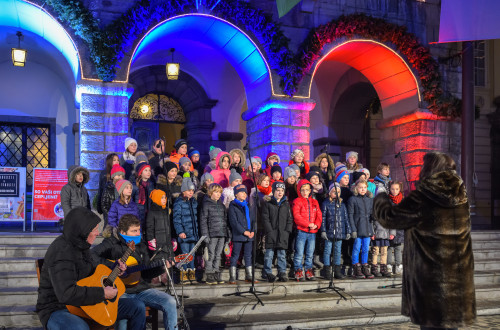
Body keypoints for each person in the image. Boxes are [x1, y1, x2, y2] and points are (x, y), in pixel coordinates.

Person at [373, 152, 476, 330]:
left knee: (432, 325)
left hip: (432, 282)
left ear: (429, 169)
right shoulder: (461, 196)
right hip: (457, 280)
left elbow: (389, 217)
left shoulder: (423, 197)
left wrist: (381, 197)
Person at [36, 207, 145, 330]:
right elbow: (66, 294)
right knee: (79, 327)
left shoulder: (82, 245)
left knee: (137, 307)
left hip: (87, 303)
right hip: (58, 308)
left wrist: (115, 267)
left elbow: (95, 267)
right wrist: (102, 293)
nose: (98, 233)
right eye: (94, 229)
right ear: (82, 231)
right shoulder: (61, 252)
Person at [91, 214, 178, 330]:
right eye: (134, 231)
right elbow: (91, 255)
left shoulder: (141, 245)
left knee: (170, 302)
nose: (138, 234)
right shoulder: (111, 243)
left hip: (141, 289)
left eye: (139, 230)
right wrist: (113, 265)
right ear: (123, 231)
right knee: (124, 320)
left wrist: (162, 268)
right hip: (119, 291)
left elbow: (146, 272)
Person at [261, 181, 293, 282]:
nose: (280, 193)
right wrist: (269, 230)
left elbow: (289, 219)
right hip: (271, 232)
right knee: (269, 254)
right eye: (278, 190)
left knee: (281, 254)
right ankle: (267, 272)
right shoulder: (268, 204)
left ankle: (282, 272)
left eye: (282, 191)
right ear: (274, 191)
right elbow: (265, 218)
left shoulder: (286, 204)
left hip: (282, 233)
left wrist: (287, 231)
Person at [293, 179, 322, 281]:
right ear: (299, 190)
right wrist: (308, 224)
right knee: (299, 252)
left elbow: (319, 215)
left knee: (310, 253)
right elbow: (297, 216)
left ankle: (308, 270)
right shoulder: (297, 201)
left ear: (310, 190)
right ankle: (298, 270)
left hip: (312, 232)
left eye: (307, 190)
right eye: (302, 190)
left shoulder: (314, 202)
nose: (305, 192)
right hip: (302, 231)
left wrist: (316, 225)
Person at [200, 183, 229, 285]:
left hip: (221, 234)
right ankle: (209, 274)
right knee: (210, 255)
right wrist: (205, 235)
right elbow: (203, 221)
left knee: (218, 255)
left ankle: (216, 273)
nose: (218, 194)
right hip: (211, 234)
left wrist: (227, 234)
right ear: (210, 192)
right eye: (216, 192)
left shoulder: (221, 205)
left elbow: (225, 221)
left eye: (219, 192)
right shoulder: (206, 204)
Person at [321, 183, 351, 280]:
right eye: (334, 192)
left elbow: (346, 218)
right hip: (329, 232)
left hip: (340, 231)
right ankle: (327, 271)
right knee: (327, 251)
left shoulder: (342, 204)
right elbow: (323, 218)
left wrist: (348, 231)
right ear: (330, 193)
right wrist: (323, 231)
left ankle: (337, 271)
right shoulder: (326, 203)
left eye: (338, 192)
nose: (337, 194)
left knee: (337, 251)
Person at [145, 189, 175, 284]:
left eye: (165, 197)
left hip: (166, 239)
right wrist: (150, 240)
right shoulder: (152, 212)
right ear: (156, 198)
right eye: (162, 197)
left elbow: (170, 226)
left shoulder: (166, 211)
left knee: (166, 258)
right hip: (157, 240)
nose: (164, 199)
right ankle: (156, 277)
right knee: (157, 259)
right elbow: (149, 227)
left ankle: (164, 275)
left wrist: (172, 238)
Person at [228, 184, 256, 284]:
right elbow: (234, 222)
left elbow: (253, 220)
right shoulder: (233, 206)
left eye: (245, 192)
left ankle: (249, 275)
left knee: (248, 255)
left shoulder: (248, 205)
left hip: (249, 235)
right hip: (239, 235)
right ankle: (232, 276)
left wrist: (252, 231)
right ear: (236, 194)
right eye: (241, 192)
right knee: (235, 255)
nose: (244, 194)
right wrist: (244, 231)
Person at [173, 177, 199, 284]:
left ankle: (191, 274)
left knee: (191, 255)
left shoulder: (193, 202)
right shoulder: (179, 202)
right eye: (189, 191)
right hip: (184, 234)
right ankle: (183, 274)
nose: (191, 193)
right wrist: (180, 232)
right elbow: (177, 219)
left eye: (192, 191)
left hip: (193, 234)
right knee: (185, 254)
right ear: (183, 191)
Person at [348, 179, 375, 279]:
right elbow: (350, 215)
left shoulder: (369, 199)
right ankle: (356, 268)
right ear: (356, 188)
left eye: (364, 187)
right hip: (358, 228)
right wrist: (353, 229)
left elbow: (372, 214)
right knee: (356, 248)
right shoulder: (353, 199)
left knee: (365, 249)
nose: (363, 189)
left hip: (367, 228)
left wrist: (374, 216)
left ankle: (365, 266)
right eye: (360, 187)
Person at [386, 181, 405, 275]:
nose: (394, 191)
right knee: (390, 247)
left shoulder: (403, 200)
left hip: (400, 227)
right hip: (390, 227)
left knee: (398, 247)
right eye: (392, 189)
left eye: (397, 189)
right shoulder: (387, 200)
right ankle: (389, 265)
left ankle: (398, 265)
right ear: (390, 189)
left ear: (400, 189)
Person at [101, 164, 125, 232]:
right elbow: (104, 204)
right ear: (113, 177)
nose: (119, 177)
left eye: (121, 176)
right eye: (118, 175)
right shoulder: (108, 188)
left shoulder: (125, 188)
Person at [132, 162, 155, 228]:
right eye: (146, 170)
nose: (148, 172)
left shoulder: (151, 184)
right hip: (138, 212)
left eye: (149, 170)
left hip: (149, 211)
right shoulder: (135, 185)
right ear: (140, 172)